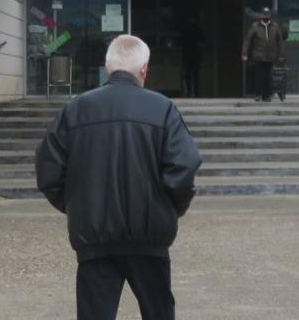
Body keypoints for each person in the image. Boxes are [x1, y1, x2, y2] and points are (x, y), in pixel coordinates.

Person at [35, 34, 203, 320]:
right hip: (150, 235)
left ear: (107, 67)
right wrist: (170, 209)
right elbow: (183, 169)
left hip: (95, 236)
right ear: (144, 70)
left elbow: (48, 172)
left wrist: (79, 205)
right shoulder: (162, 108)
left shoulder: (75, 110)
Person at [242, 7, 286, 102]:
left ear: (270, 15)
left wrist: (281, 54)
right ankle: (258, 94)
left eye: (267, 14)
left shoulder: (275, 26)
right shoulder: (255, 26)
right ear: (261, 15)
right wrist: (244, 53)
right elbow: (248, 40)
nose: (266, 16)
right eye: (264, 14)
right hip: (258, 55)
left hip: (271, 56)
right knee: (259, 76)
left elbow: (280, 41)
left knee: (268, 77)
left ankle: (266, 96)